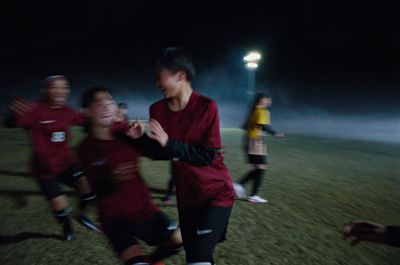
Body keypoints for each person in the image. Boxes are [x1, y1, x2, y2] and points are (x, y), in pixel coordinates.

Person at [134, 47, 235, 265]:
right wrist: (137, 139)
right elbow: (159, 152)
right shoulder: (157, 110)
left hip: (216, 192)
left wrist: (169, 143)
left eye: (159, 77)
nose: (156, 83)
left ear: (180, 75)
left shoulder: (207, 107)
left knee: (199, 256)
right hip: (188, 197)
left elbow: (207, 156)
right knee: (195, 254)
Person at [78, 86, 183, 265]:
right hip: (115, 218)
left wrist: (144, 138)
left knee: (180, 240)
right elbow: (95, 190)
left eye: (109, 101)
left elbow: (159, 154)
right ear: (87, 112)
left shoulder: (125, 134)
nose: (105, 106)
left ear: (115, 108)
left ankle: (153, 260)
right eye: (98, 102)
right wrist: (111, 180)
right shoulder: (85, 149)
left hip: (144, 210)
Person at [9, 75, 99, 240]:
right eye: (55, 87)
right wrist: (12, 116)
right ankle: (66, 224)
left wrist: (95, 116)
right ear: (45, 90)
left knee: (88, 187)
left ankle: (82, 215)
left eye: (64, 87)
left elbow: (85, 121)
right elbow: (13, 122)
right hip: (44, 168)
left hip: (66, 163)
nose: (61, 91)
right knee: (60, 209)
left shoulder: (68, 111)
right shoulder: (35, 109)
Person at [233, 93, 284, 203]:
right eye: (268, 100)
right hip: (256, 142)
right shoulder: (263, 111)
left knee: (261, 167)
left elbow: (244, 126)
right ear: (261, 100)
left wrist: (253, 127)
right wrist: (275, 133)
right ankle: (246, 189)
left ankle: (242, 187)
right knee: (261, 167)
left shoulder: (253, 110)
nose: (269, 102)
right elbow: (264, 126)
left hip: (250, 141)